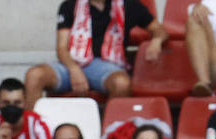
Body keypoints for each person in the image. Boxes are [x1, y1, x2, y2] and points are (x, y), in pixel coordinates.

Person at [24, 0, 166, 108]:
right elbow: (62, 48)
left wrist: (156, 41)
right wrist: (75, 71)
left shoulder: (128, 5)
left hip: (107, 67)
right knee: (34, 75)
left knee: (122, 84)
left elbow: (160, 30)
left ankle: (109, 136)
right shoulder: (69, 5)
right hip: (72, 63)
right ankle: (31, 134)